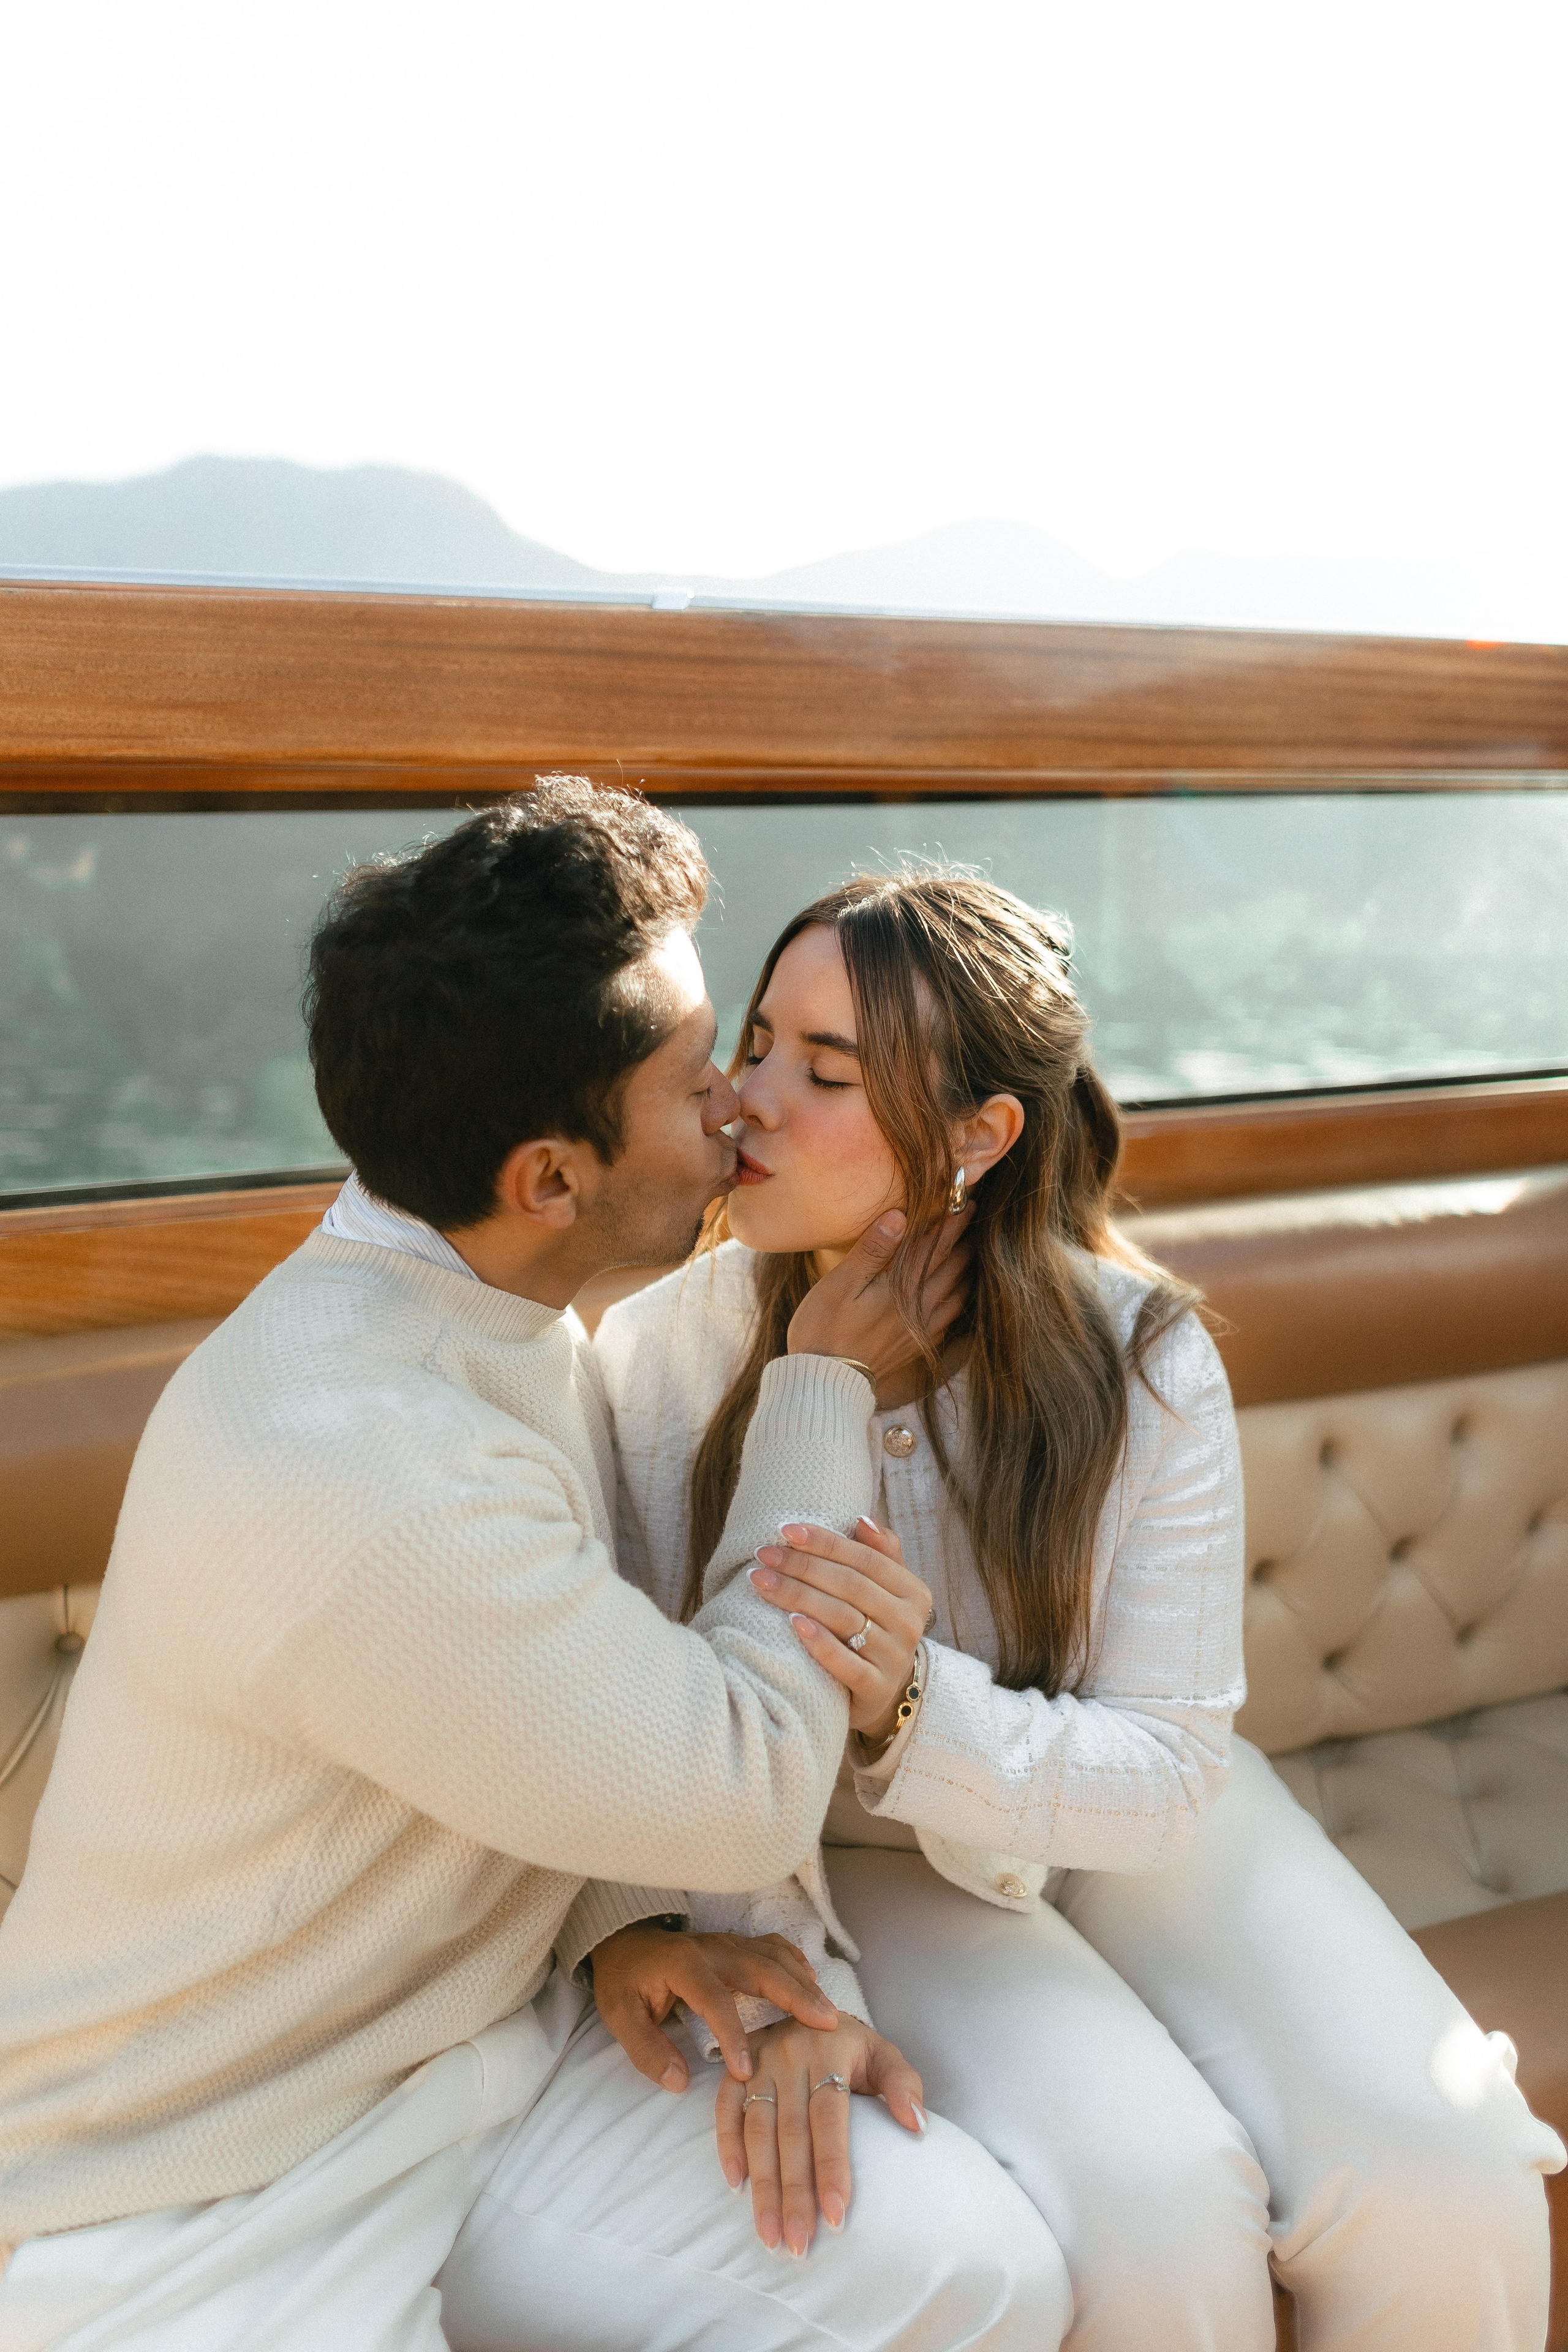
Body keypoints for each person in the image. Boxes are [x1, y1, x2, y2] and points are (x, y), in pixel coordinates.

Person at [0, 791, 1071, 2352]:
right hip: (187, 2178)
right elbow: (747, 1778)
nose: (736, 1106)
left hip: (466, 2052)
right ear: (551, 1179)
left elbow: (536, 1687)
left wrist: (625, 1917)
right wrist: (821, 1382)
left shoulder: (489, 1303)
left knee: (970, 2270)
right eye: (696, 1073)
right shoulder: (365, 1462)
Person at [596, 869, 1567, 2352]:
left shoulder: (1143, 1358)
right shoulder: (656, 1361)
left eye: (826, 1071)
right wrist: (754, 1966)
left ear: (980, 1137)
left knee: (1446, 2178)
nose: (745, 1100)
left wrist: (913, 1702)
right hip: (853, 1860)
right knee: (1151, 2218)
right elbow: (641, 1724)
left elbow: (1168, 1767)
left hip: (1136, 1812)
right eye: (756, 1040)